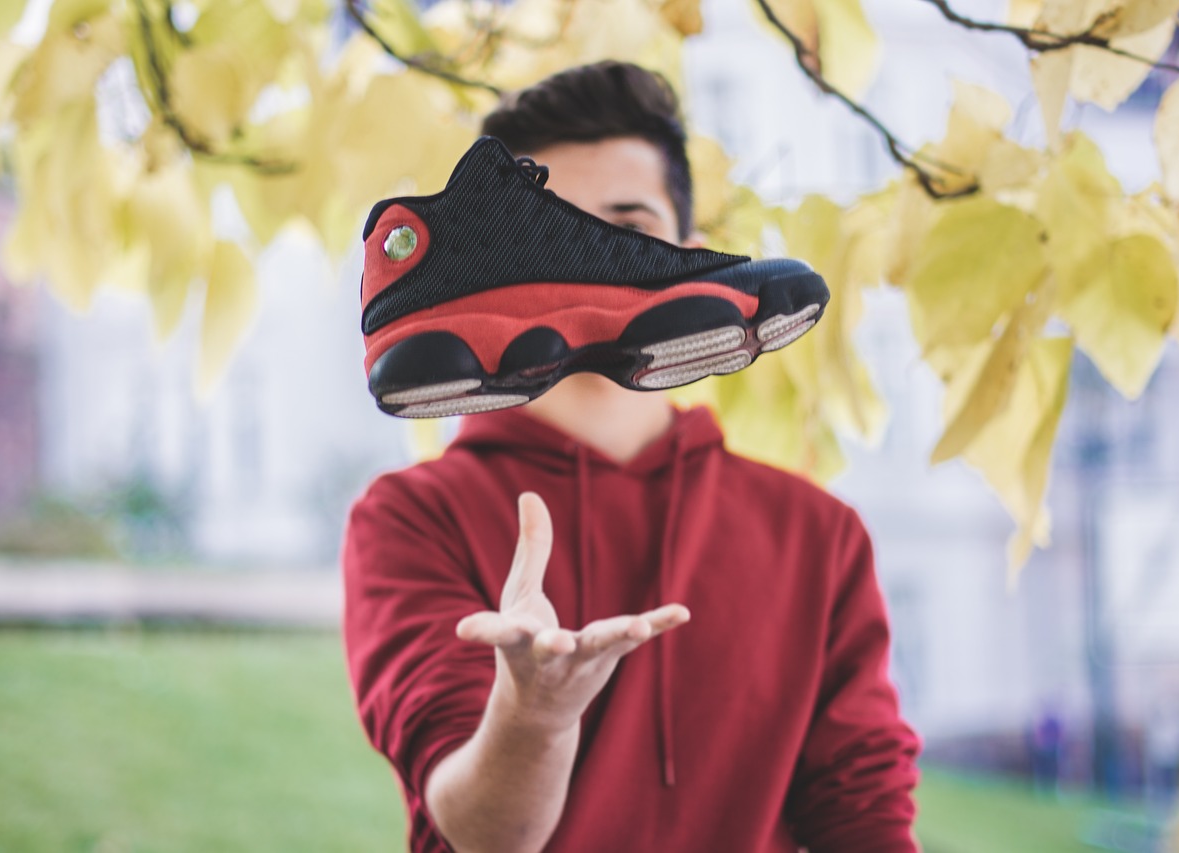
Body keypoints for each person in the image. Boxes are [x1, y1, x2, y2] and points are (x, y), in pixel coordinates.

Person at [343, 61, 920, 852]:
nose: (589, 262)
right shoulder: (410, 518)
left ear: (686, 248)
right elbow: (475, 827)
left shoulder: (818, 533)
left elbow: (866, 818)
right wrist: (532, 719)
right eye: (557, 233)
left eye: (626, 232)